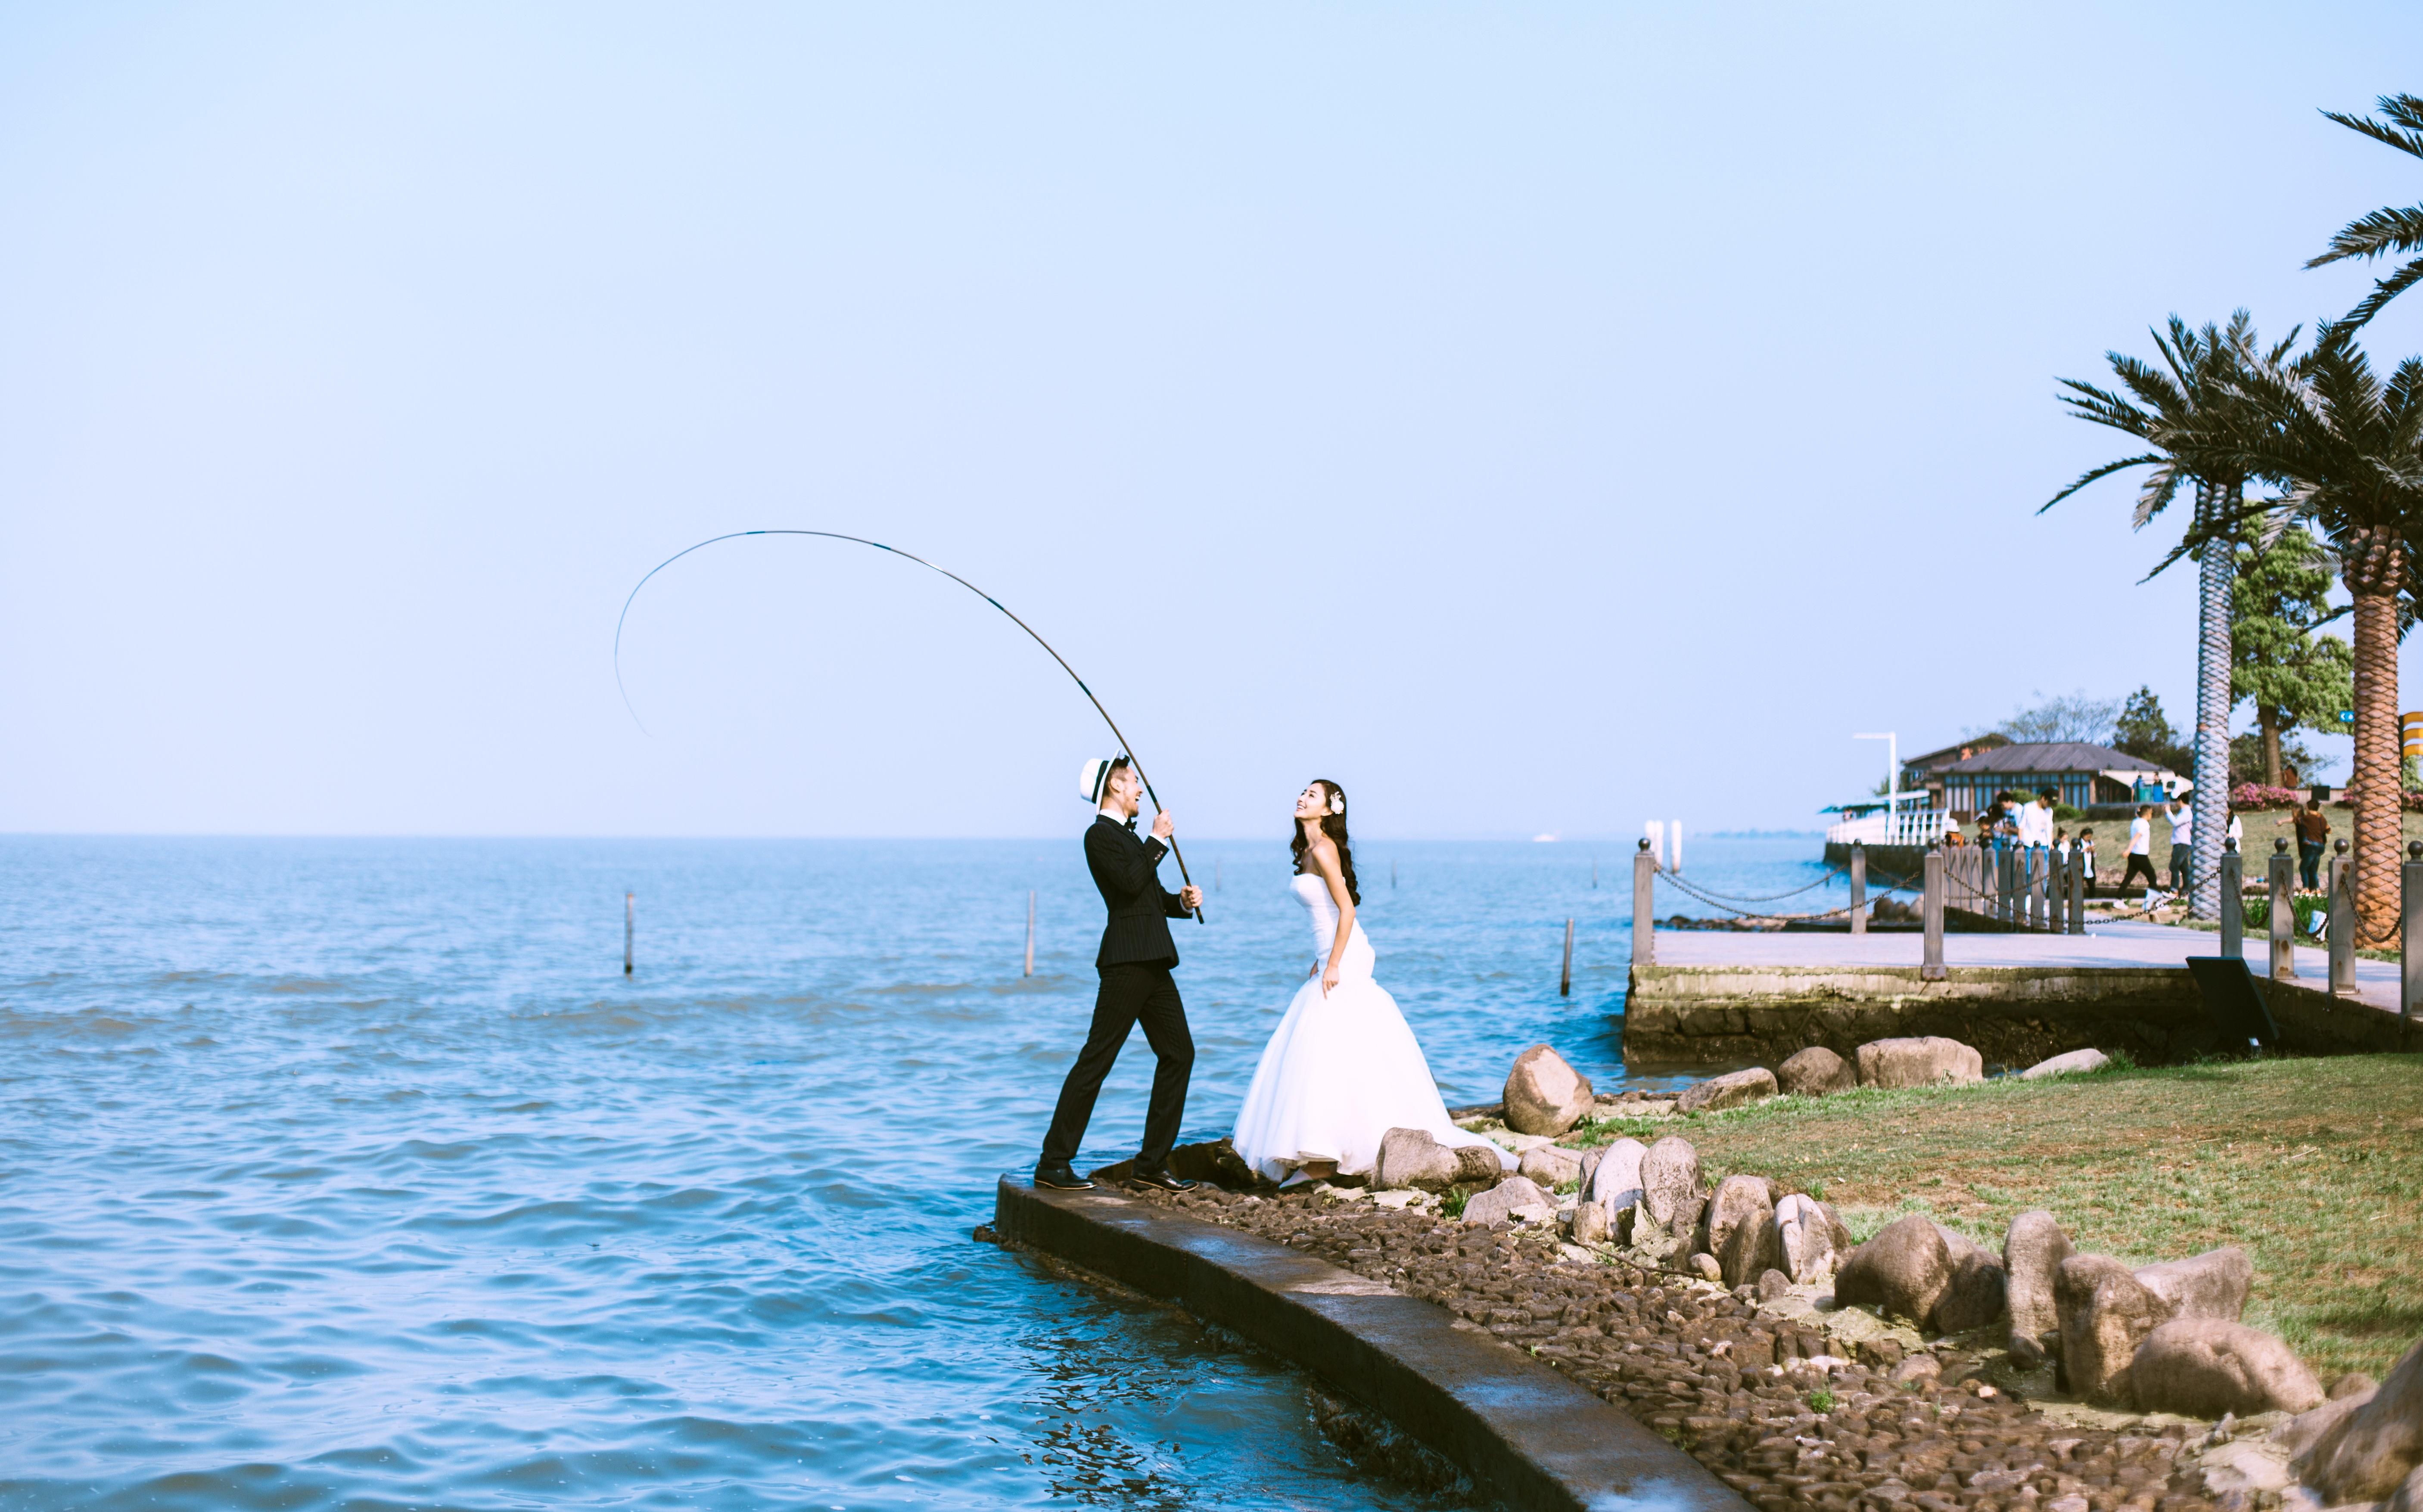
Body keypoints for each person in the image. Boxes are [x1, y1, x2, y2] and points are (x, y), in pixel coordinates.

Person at [1231, 780, 1513, 1186]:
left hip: (1346, 953)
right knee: (1328, 1045)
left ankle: (1322, 1161)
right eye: (1303, 792)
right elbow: (1326, 914)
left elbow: (1346, 910)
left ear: (1328, 810)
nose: (1302, 797)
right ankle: (1322, 1152)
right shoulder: (1309, 850)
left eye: (1312, 795)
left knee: (1328, 1042)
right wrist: (1320, 959)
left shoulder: (1324, 849)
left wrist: (1333, 962)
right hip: (1330, 951)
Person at [1035, 756, 1206, 1193]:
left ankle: (1151, 1165)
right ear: (1114, 786)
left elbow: (1148, 897)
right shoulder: (1099, 835)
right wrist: (1157, 839)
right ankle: (1053, 1163)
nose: (1139, 789)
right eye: (1132, 781)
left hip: (1153, 959)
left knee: (1179, 1054)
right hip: (1127, 962)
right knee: (1098, 1058)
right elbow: (1129, 884)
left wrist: (1181, 903)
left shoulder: (1129, 837)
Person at [2293, 798, 2330, 890]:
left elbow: (2296, 820)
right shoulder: (2322, 818)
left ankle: (2306, 888)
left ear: (2309, 808)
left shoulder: (2307, 818)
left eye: (2306, 807)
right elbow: (2329, 830)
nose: (2305, 808)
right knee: (2313, 869)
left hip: (2312, 846)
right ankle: (2316, 889)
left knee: (2303, 868)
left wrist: (2282, 822)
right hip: (2321, 846)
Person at [2121, 805, 2160, 893]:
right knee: (2152, 875)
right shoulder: (2144, 824)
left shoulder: (2135, 822)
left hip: (2133, 855)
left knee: (2129, 877)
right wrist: (2128, 850)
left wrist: (2130, 851)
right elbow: (2136, 837)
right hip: (2141, 855)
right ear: (2148, 814)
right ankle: (2154, 897)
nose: (2151, 816)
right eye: (2151, 814)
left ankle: (2119, 897)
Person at [2167, 797, 2193, 891]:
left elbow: (2175, 822)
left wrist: (2168, 812)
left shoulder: (2187, 812)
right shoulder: (2184, 812)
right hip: (2180, 843)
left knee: (2174, 866)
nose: (2176, 803)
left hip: (2183, 843)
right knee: (2184, 868)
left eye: (2176, 801)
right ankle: (2187, 888)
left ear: (2180, 800)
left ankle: (2174, 889)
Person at [2075, 827, 2098, 895]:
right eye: (2087, 837)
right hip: (2081, 866)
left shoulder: (2091, 842)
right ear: (2083, 835)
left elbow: (2094, 855)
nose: (2089, 838)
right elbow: (2076, 854)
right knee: (2079, 885)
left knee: (2092, 884)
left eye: (2090, 837)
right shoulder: (2079, 843)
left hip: (2089, 867)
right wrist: (2085, 850)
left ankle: (2092, 898)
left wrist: (2093, 851)